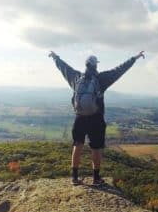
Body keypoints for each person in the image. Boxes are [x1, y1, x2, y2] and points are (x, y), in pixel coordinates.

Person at [49, 50, 145, 185]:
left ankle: (74, 178)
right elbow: (119, 70)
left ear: (86, 65)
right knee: (96, 148)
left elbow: (63, 67)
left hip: (80, 118)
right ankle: (96, 178)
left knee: (77, 145)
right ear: (96, 66)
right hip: (96, 119)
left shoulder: (76, 78)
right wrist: (134, 59)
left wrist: (55, 57)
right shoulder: (101, 79)